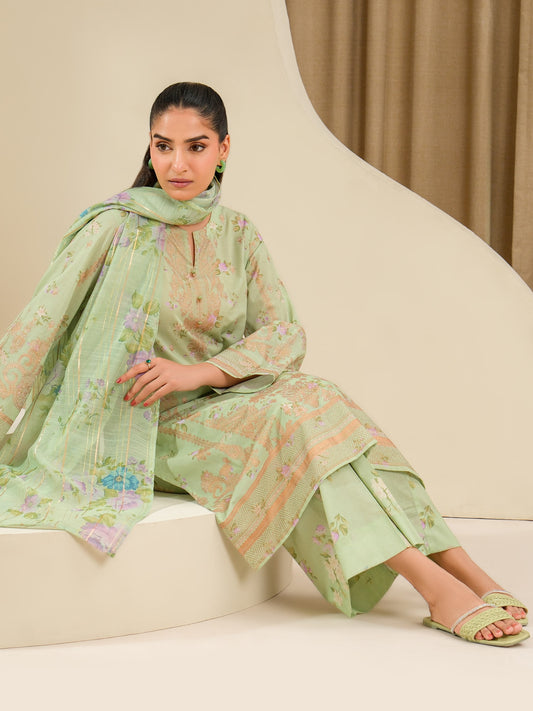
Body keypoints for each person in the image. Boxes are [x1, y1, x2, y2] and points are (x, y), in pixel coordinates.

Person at [0, 82, 528, 647]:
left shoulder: (238, 234)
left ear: (223, 149)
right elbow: (37, 329)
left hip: (223, 402)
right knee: (286, 420)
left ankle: (462, 568)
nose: (177, 164)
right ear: (149, 147)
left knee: (319, 396)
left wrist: (200, 373)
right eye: (163, 146)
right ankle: (436, 586)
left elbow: (284, 334)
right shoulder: (114, 227)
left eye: (196, 147)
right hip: (142, 426)